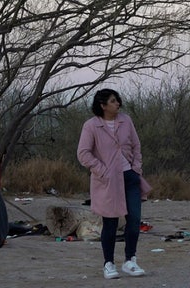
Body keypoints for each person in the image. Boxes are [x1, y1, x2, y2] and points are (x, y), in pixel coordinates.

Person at [77, 88, 152, 279]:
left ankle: (130, 260)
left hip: (130, 178)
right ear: (102, 105)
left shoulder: (125, 120)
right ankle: (108, 263)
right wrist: (103, 171)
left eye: (117, 100)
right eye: (112, 101)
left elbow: (136, 145)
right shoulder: (91, 126)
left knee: (134, 220)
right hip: (107, 181)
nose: (117, 103)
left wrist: (137, 168)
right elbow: (83, 153)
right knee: (110, 222)